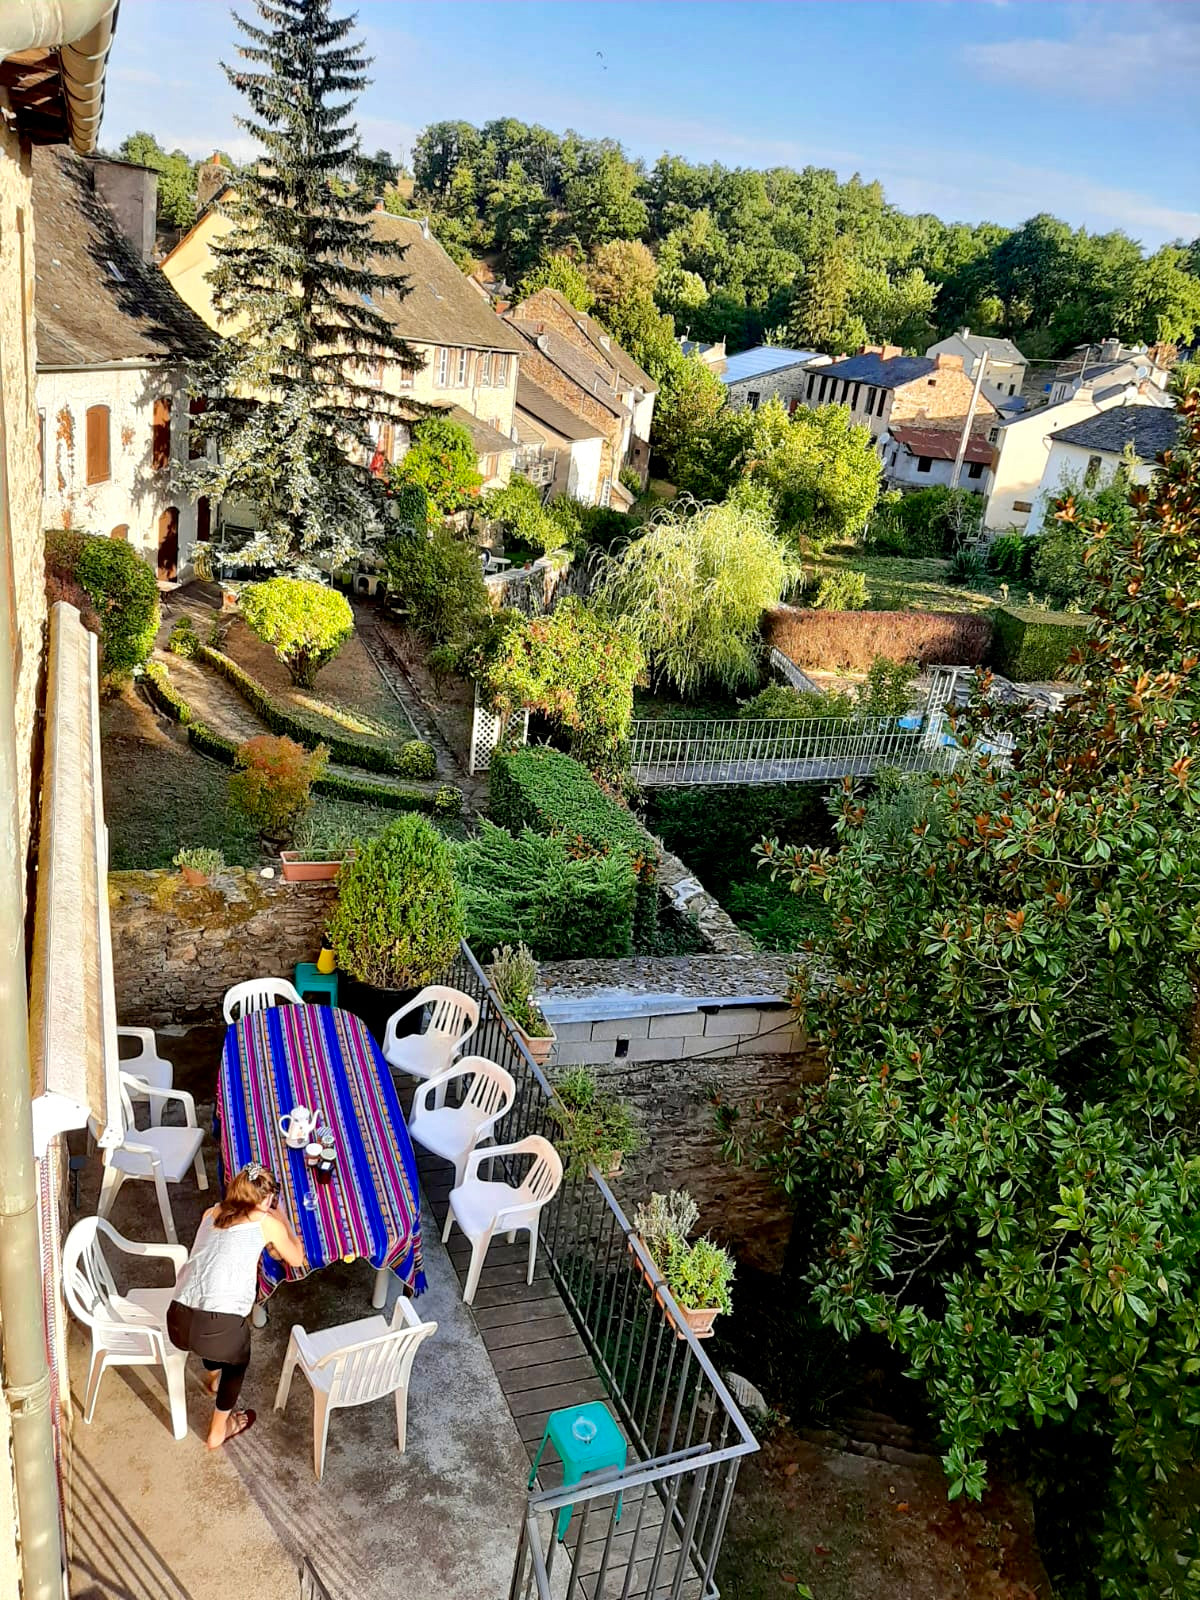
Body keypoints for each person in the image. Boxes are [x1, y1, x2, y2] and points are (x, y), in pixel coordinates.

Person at [166, 1162, 304, 1448]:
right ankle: (219, 1428)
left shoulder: (212, 1213)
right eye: (270, 1199)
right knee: (238, 1356)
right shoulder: (267, 1223)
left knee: (216, 1326)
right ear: (264, 1201)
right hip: (216, 1330)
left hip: (177, 1319)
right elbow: (296, 1258)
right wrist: (284, 1221)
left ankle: (213, 1375)